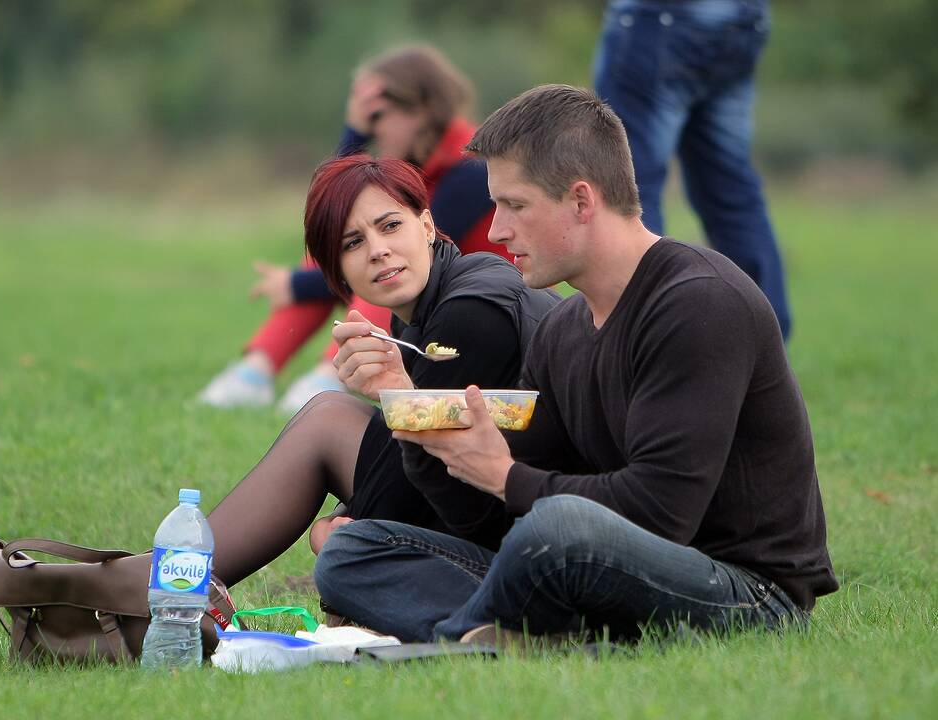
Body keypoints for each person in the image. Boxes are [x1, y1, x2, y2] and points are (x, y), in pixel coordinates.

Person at [313, 85, 838, 645]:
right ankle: (521, 635)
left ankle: (473, 637)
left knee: (562, 527)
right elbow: (492, 522)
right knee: (354, 550)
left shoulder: (698, 302)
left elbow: (662, 513)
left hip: (743, 593)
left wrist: (506, 475)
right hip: (592, 573)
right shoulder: (563, 329)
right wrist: (405, 402)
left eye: (514, 205)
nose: (495, 231)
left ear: (582, 201)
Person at [204, 154, 559, 588]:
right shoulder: (426, 308)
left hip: (538, 548)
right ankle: (158, 582)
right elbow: (412, 472)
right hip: (507, 517)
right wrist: (345, 517)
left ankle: (167, 581)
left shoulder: (468, 313)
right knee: (329, 415)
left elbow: (430, 498)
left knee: (328, 422)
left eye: (390, 226)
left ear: (427, 227)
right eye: (352, 243)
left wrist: (344, 526)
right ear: (338, 275)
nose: (377, 250)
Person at [199, 45, 508, 414]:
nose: (372, 129)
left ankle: (330, 374)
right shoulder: (415, 163)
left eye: (376, 115)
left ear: (420, 108)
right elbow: (336, 207)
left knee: (388, 260)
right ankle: (258, 369)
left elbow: (423, 253)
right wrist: (353, 134)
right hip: (442, 301)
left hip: (489, 308)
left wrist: (294, 286)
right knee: (343, 239)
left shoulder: (470, 163)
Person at [592, 0, 792, 339]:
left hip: (661, 18)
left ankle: (644, 340)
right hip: (741, 19)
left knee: (627, 186)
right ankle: (765, 352)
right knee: (731, 194)